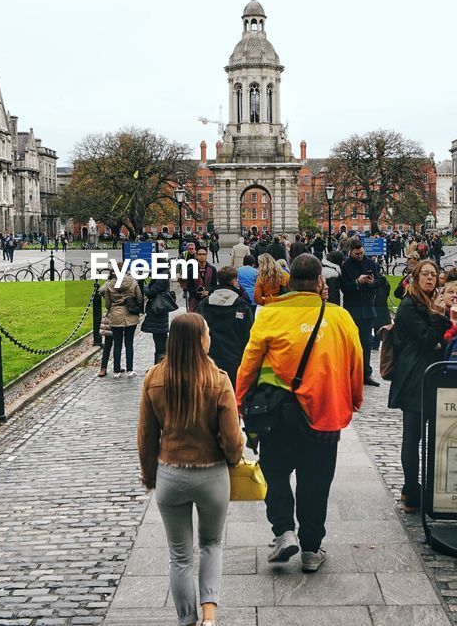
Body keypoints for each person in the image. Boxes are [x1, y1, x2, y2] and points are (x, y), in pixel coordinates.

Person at [236, 254, 364, 573]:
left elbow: (249, 363)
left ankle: (283, 531)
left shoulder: (269, 314)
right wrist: (355, 400)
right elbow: (356, 362)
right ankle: (310, 548)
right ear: (320, 282)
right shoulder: (339, 317)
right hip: (324, 411)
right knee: (316, 482)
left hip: (278, 411)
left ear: (288, 281)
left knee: (275, 472)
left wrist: (241, 403)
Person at [137, 314, 244, 626]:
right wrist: (235, 461)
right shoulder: (219, 379)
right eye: (207, 332)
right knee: (211, 545)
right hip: (211, 473)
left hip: (171, 472)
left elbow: (145, 436)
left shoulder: (154, 377)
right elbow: (232, 438)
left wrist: (150, 475)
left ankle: (187, 619)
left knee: (180, 556)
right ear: (201, 339)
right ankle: (209, 617)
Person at [387, 260, 454, 512]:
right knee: (412, 435)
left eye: (434, 275)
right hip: (414, 375)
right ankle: (411, 490)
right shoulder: (409, 304)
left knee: (433, 435)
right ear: (415, 277)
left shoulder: (430, 302)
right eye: (425, 274)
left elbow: (440, 340)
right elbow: (428, 340)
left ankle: (426, 488)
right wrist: (439, 319)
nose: (430, 278)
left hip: (431, 373)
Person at [339, 238, 385, 386]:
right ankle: (351, 372)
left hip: (367, 307)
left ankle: (366, 373)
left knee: (366, 343)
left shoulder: (370, 263)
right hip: (352, 308)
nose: (359, 255)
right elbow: (344, 288)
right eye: (356, 253)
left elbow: (380, 282)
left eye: (361, 253)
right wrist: (357, 282)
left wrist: (372, 283)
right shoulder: (346, 266)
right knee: (352, 343)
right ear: (351, 252)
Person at [198, 267, 254, 389]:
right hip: (234, 362)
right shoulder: (242, 306)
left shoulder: (204, 305)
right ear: (235, 282)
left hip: (208, 361)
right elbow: (248, 337)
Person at [99, 262, 143, 378]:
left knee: (117, 343)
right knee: (129, 343)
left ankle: (116, 371)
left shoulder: (109, 285)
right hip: (130, 315)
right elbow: (139, 298)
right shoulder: (133, 282)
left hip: (116, 315)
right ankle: (130, 369)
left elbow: (108, 304)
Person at [141, 272, 173, 364]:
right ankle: (161, 365)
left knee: (160, 342)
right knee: (161, 340)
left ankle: (159, 366)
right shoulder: (161, 276)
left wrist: (146, 287)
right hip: (159, 312)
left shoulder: (161, 278)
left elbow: (150, 292)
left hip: (158, 311)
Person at [181, 248, 218, 313]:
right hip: (194, 300)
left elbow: (214, 286)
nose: (202, 256)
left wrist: (207, 292)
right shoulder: (191, 270)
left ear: (206, 255)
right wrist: (199, 294)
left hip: (209, 300)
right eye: (200, 254)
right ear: (196, 256)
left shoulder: (212, 269)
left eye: (204, 254)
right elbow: (189, 287)